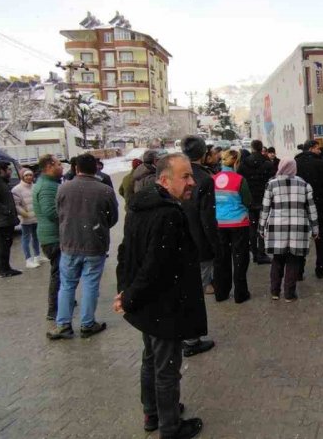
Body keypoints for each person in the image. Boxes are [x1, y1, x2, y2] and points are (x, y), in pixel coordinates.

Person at [114, 153, 207, 438]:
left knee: (150, 359)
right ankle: (170, 427)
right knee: (166, 368)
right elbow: (154, 264)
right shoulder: (168, 214)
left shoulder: (140, 205)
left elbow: (126, 254)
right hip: (163, 305)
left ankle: (152, 413)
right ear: (165, 181)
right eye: (185, 176)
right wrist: (128, 297)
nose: (192, 182)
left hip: (146, 304)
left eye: (191, 175)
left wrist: (126, 291)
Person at [47, 153, 119, 340]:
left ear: (76, 168)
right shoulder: (105, 190)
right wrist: (98, 227)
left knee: (67, 285)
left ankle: (63, 324)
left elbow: (59, 213)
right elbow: (113, 218)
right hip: (94, 244)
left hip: (70, 244)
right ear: (96, 168)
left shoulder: (63, 188)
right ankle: (87, 323)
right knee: (90, 285)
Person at [177, 136, 219, 357]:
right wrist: (215, 243)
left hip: (177, 240)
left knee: (182, 289)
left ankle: (179, 334)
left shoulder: (175, 173)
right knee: (195, 291)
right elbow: (207, 217)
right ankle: (191, 339)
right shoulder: (204, 179)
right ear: (203, 154)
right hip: (198, 241)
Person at [260, 159, 320, 302]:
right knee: (293, 260)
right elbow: (311, 209)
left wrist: (261, 227)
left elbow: (265, 208)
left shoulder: (271, 184)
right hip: (298, 227)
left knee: (277, 259)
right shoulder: (304, 184)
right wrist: (315, 228)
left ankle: (275, 291)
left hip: (277, 227)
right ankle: (289, 294)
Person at [213, 150, 253, 303]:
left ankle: (221, 292)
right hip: (238, 222)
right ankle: (240, 293)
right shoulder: (240, 179)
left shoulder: (213, 179)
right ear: (236, 162)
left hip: (219, 223)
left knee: (222, 258)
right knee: (240, 258)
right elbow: (247, 201)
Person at [295, 139, 323, 279]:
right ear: (311, 148)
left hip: (300, 206)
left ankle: (299, 270)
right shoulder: (321, 163)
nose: (319, 150)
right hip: (319, 205)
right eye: (317, 148)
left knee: (300, 238)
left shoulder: (296, 163)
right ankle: (320, 268)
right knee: (321, 238)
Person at [33, 154, 64, 320]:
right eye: (59, 164)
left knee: (61, 272)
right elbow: (50, 212)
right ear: (49, 166)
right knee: (58, 273)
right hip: (53, 238)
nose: (61, 167)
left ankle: (64, 300)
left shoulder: (49, 183)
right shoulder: (47, 186)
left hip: (52, 236)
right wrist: (71, 216)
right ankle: (54, 309)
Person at [237, 140, 276, 265]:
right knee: (263, 226)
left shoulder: (243, 164)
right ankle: (261, 252)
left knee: (252, 228)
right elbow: (272, 181)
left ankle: (254, 253)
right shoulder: (267, 163)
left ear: (252, 148)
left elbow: (240, 181)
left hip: (249, 200)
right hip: (264, 199)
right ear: (261, 148)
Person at [12, 168, 43, 269]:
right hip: (26, 219)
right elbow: (16, 205)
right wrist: (25, 214)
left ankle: (37, 256)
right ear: (22, 177)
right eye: (26, 175)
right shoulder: (16, 189)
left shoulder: (36, 186)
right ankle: (28, 260)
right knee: (26, 239)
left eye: (30, 175)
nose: (29, 177)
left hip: (36, 217)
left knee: (36, 237)